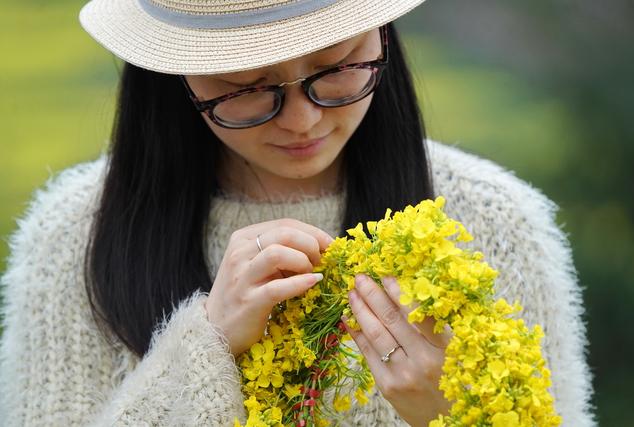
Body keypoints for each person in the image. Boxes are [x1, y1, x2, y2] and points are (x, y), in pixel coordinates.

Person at [0, 0, 595, 425]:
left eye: (336, 70)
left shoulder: (492, 221)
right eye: (247, 88)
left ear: (381, 35)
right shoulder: (75, 235)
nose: (303, 121)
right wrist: (209, 347)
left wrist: (454, 416)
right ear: (175, 78)